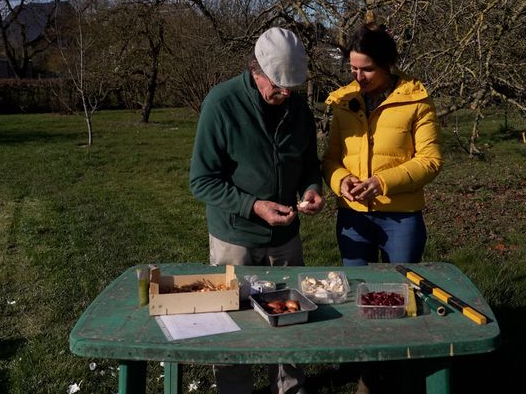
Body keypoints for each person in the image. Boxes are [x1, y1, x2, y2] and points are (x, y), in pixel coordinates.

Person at [190, 27, 324, 394]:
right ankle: (236, 390)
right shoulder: (221, 104)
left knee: (293, 320)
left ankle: (290, 388)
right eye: (277, 86)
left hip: (286, 239)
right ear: (256, 69)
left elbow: (310, 163)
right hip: (235, 239)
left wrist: (313, 188)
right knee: (234, 322)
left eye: (291, 89)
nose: (284, 95)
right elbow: (201, 180)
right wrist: (253, 206)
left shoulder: (297, 109)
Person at [323, 23, 443, 267]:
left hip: (401, 217)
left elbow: (430, 160)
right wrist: (341, 180)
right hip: (352, 216)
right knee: (357, 289)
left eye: (367, 69)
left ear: (387, 65)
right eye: (353, 68)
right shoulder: (343, 101)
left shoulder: (416, 100)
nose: (358, 76)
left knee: (401, 290)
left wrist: (382, 182)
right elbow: (330, 159)